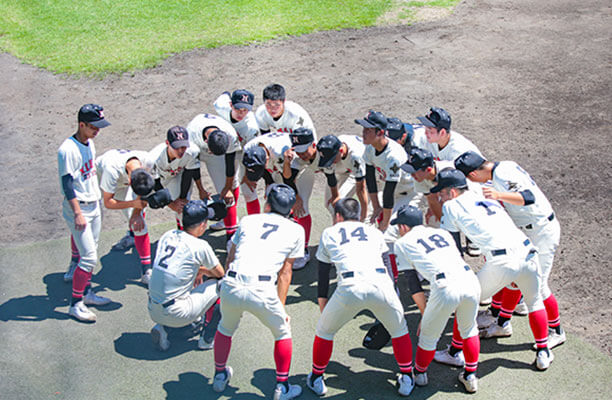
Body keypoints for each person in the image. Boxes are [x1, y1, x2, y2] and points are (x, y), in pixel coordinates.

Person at [433, 169, 554, 370]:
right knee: (534, 302)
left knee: (465, 303)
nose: (440, 197)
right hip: (528, 251)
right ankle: (543, 352)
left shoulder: (451, 206)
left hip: (503, 262)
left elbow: (452, 247)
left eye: (442, 192)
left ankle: (454, 353)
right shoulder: (481, 192)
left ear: (453, 192)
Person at [455, 151, 565, 348]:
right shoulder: (504, 165)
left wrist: (499, 195)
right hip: (529, 229)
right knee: (515, 279)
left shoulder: (503, 175)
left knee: (538, 287)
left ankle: (557, 331)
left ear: (472, 174)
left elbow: (528, 197)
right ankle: (502, 323)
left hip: (542, 232)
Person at [307, 198, 415, 397]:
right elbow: (388, 267)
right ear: (359, 216)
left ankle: (316, 377)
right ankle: (407, 376)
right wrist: (392, 301)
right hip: (381, 284)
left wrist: (323, 304)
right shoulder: (374, 232)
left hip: (350, 288)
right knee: (400, 331)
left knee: (325, 331)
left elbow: (322, 274)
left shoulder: (330, 233)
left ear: (338, 216)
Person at [212, 184, 304, 400]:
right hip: (263, 289)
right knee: (282, 332)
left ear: (267, 204)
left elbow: (230, 257)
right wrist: (280, 307)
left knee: (225, 328)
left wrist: (228, 286)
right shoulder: (296, 229)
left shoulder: (248, 220)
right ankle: (282, 387)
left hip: (232, 281)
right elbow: (285, 273)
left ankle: (218, 376)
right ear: (290, 210)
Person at [392, 205, 481, 393]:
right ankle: (470, 375)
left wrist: (425, 314)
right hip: (470, 280)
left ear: (404, 227)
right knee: (469, 328)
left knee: (428, 336)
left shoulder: (402, 243)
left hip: (445, 286)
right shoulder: (442, 233)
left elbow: (413, 283)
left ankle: (420, 374)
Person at [58, 103, 112, 322]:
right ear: (81, 124)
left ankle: (86, 292)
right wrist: (78, 213)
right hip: (79, 208)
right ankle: (75, 303)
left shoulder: (89, 143)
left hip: (94, 204)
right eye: (93, 127)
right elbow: (67, 184)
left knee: (92, 251)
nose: (97, 131)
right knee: (89, 257)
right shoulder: (67, 150)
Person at [147, 200, 225, 351]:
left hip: (152, 307)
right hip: (176, 312)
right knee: (224, 284)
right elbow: (220, 273)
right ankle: (207, 339)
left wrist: (198, 269)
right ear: (203, 224)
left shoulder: (168, 235)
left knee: (178, 285)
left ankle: (164, 328)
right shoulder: (200, 246)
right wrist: (202, 270)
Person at [95, 149, 155, 284]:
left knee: (140, 225)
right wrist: (134, 203)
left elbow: (144, 190)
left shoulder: (147, 161)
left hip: (123, 175)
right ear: (128, 181)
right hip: (100, 176)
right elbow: (108, 202)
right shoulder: (111, 171)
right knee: (90, 217)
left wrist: (136, 213)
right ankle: (75, 262)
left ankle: (146, 271)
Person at [186, 113, 240, 243]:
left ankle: (230, 237)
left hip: (217, 154)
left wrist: (227, 188)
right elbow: (193, 165)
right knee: (184, 189)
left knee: (229, 190)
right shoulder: (192, 135)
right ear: (206, 142)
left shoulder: (230, 134)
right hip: (195, 153)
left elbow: (230, 162)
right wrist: (201, 189)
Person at [355, 110, 408, 233]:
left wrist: (385, 222)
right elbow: (370, 179)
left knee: (389, 231)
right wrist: (376, 206)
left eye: (368, 130)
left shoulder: (393, 156)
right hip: (390, 191)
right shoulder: (370, 148)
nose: (363, 133)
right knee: (367, 223)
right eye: (364, 129)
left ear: (380, 132)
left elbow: (389, 192)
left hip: (408, 193)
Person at [149, 126, 204, 228]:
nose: (180, 151)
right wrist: (171, 204)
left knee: (182, 207)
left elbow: (188, 174)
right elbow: (155, 184)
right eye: (176, 147)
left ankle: (183, 231)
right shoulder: (153, 158)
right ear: (167, 143)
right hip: (159, 180)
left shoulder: (192, 151)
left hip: (178, 176)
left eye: (183, 147)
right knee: (152, 201)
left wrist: (182, 199)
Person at [282, 128, 320, 270]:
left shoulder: (324, 151)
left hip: (338, 172)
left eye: (305, 150)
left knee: (334, 204)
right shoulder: (296, 157)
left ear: (313, 145)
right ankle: (303, 250)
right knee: (301, 205)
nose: (302, 154)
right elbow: (288, 179)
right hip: (308, 170)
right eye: (299, 150)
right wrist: (297, 198)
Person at [317, 134, 368, 222]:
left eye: (332, 159)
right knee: (329, 204)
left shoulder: (356, 156)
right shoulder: (332, 147)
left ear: (341, 151)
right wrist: (334, 195)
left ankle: (347, 226)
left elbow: (361, 189)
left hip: (355, 172)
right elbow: (330, 176)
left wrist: (364, 215)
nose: (331, 162)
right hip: (343, 168)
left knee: (339, 205)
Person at [240, 131, 292, 214]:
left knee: (291, 199)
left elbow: (288, 178)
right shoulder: (248, 149)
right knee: (272, 192)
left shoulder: (280, 153)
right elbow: (262, 168)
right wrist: (268, 182)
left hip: (296, 160)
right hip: (273, 153)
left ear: (267, 160)